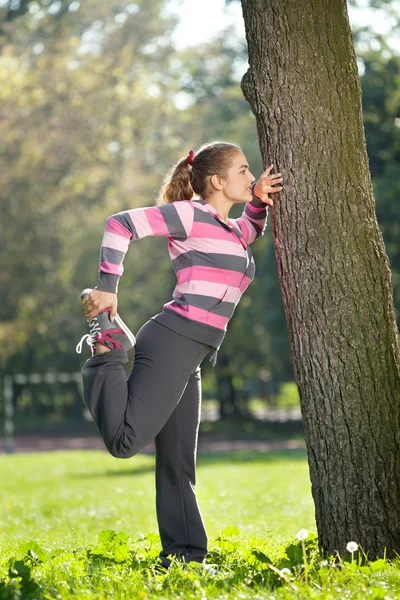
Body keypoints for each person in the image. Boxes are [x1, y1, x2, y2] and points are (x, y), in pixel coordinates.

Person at [76, 140, 283, 568]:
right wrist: (108, 288)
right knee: (125, 441)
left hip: (191, 352)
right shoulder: (188, 214)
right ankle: (106, 351)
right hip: (172, 340)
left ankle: (185, 555)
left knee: (176, 462)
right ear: (217, 181)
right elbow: (120, 224)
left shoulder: (230, 229)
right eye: (244, 171)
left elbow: (250, 231)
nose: (252, 176)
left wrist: (259, 201)